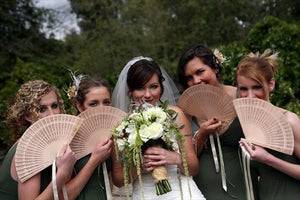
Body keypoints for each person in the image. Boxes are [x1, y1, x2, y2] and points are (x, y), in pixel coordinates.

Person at [111, 56, 205, 200]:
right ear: (130, 90)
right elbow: (118, 180)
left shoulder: (175, 115)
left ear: (161, 86)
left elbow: (194, 168)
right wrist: (139, 168)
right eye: (140, 88)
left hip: (182, 193)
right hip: (145, 194)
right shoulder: (121, 126)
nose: (148, 95)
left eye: (153, 86)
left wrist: (176, 158)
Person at [177, 44, 247, 199]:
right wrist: (201, 134)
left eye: (200, 71)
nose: (196, 80)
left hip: (242, 183)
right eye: (189, 78)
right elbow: (185, 158)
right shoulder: (186, 109)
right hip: (202, 188)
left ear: (215, 68)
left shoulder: (240, 95)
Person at [237, 50, 300, 200]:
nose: (250, 96)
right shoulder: (247, 125)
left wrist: (268, 159)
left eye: (256, 87)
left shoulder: (289, 120)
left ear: (271, 84)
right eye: (243, 89)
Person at [0, 80, 76, 200]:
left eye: (54, 106)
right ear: (27, 116)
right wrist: (61, 174)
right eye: (42, 109)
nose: (52, 115)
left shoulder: (42, 143)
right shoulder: (28, 149)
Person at [65, 76, 113, 200]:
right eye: (93, 103)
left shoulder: (112, 133)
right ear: (80, 107)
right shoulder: (68, 138)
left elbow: (118, 180)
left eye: (106, 102)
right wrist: (95, 159)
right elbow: (64, 195)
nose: (102, 108)